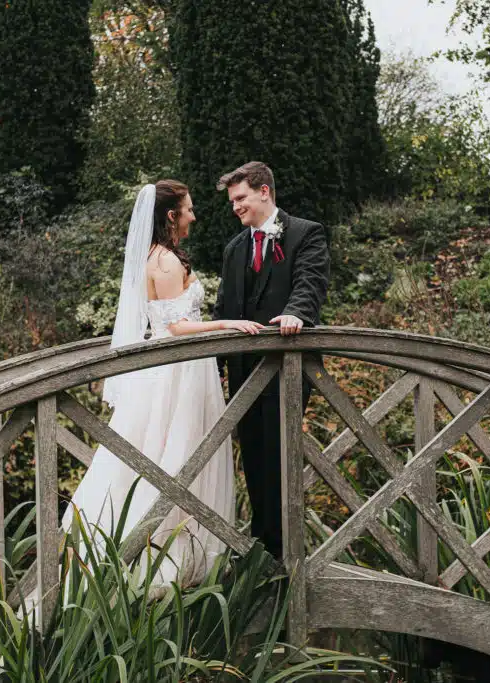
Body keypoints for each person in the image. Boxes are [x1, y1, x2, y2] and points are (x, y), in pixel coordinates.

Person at [62, 180, 264, 590]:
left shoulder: (155, 257)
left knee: (170, 453)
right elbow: (175, 327)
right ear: (171, 216)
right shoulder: (167, 262)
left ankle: (158, 554)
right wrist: (226, 323)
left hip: (179, 369)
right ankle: (170, 561)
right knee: (178, 454)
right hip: (180, 372)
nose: (193, 215)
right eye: (188, 209)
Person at [213, 161, 330, 559]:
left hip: (287, 369)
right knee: (255, 463)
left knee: (281, 460)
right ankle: (263, 556)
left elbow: (310, 281)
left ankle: (289, 559)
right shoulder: (233, 249)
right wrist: (207, 364)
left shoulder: (305, 233)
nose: (235, 208)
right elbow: (223, 308)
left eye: (241, 198)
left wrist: (297, 312)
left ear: (265, 192)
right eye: (232, 201)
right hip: (244, 373)